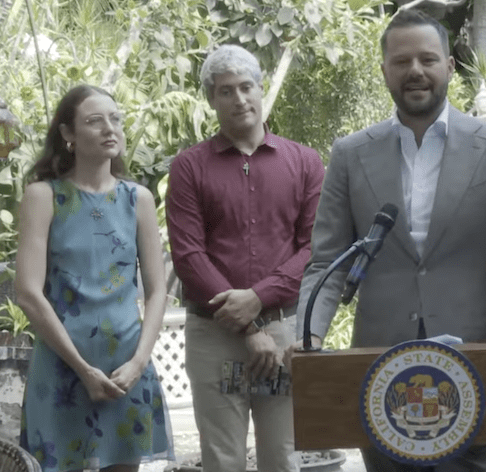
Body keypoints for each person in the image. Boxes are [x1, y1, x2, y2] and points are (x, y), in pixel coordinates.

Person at [289, 10, 486, 472]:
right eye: (401, 61)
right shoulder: (350, 154)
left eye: (427, 59)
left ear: (450, 68)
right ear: (384, 71)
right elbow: (326, 263)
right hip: (381, 375)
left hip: (479, 364)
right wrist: (307, 334)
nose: (415, 70)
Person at [166, 45, 325, 472]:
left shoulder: (305, 162)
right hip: (214, 336)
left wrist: (259, 301)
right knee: (222, 460)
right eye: (225, 91)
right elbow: (188, 256)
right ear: (211, 99)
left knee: (283, 458)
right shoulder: (188, 167)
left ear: (260, 88)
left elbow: (313, 249)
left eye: (246, 86)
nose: (238, 99)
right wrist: (249, 323)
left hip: (283, 335)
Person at [15, 84, 172, 471]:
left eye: (115, 119)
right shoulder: (43, 196)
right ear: (67, 134)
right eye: (94, 120)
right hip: (62, 365)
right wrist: (82, 368)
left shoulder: (139, 200)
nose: (109, 128)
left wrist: (138, 363)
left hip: (126, 369)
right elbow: (27, 292)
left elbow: (156, 291)